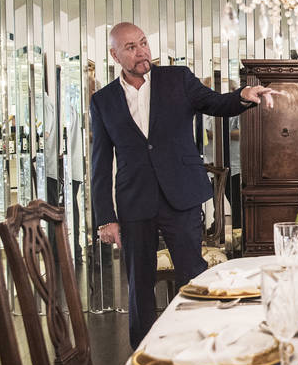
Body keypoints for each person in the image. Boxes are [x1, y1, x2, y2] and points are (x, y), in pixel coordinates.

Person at [90, 22, 279, 348]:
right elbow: (100, 163)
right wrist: (106, 217)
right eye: (131, 47)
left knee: (193, 277)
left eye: (143, 42)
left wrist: (242, 96)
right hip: (135, 202)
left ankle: (202, 344)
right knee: (139, 285)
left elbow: (216, 103)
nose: (142, 52)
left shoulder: (177, 79)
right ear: (115, 55)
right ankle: (145, 352)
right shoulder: (103, 101)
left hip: (181, 196)